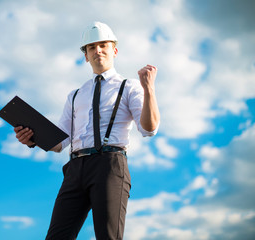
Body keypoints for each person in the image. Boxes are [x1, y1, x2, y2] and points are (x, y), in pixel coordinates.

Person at [14, 21, 160, 240]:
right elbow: (59, 142)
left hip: (110, 165)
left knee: (108, 236)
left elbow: (149, 129)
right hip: (75, 169)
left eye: (103, 45)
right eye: (91, 47)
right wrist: (32, 138)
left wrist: (148, 89)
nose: (97, 50)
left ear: (115, 50)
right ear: (85, 56)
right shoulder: (75, 95)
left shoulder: (129, 86)